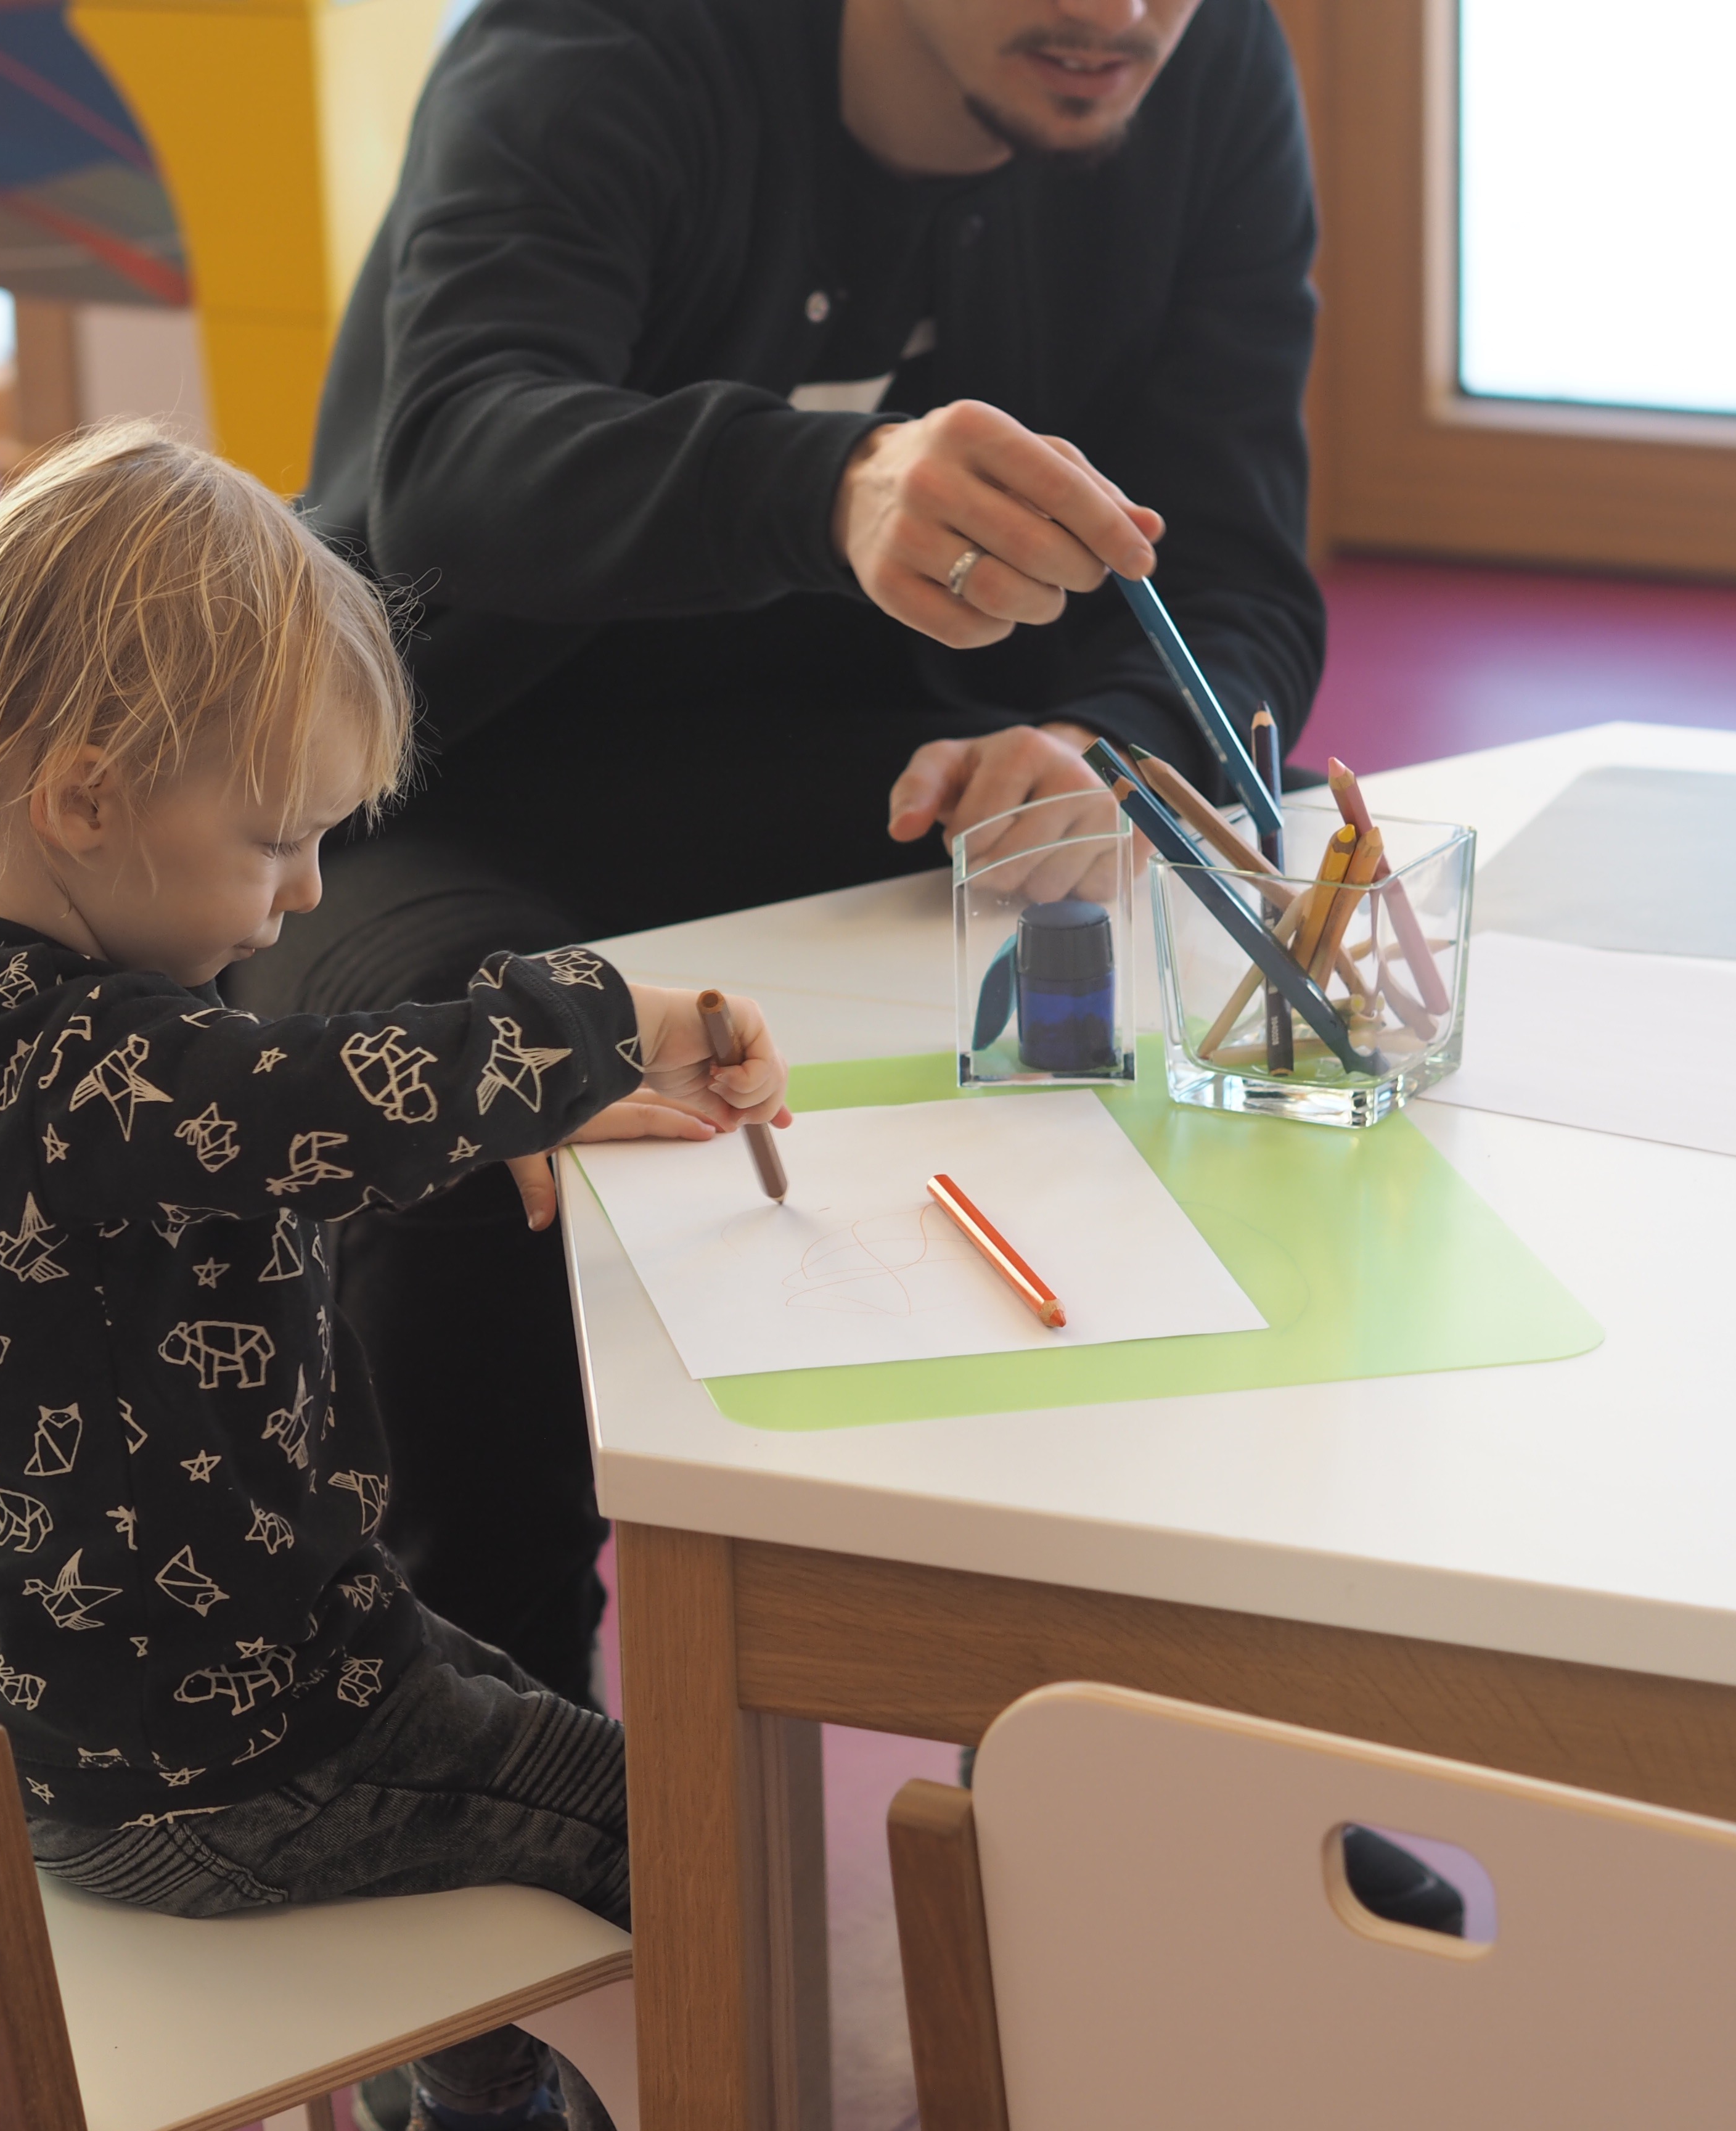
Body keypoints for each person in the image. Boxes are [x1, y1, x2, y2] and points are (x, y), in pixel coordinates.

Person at [239, 0, 1325, 1715]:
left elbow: (1244, 584)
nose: (1121, 16)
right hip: (459, 782)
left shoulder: (1210, 68)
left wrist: (1116, 748)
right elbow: (449, 458)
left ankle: (1133, 1750)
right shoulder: (602, 44)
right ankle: (508, 1773)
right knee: (479, 1100)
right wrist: (829, 487)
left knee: (1192, 1033)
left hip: (909, 790)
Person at [0, 422, 788, 2129]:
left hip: (125, 1693)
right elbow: (299, 1095)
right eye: (277, 839)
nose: (304, 895)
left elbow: (263, 1130)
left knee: (514, 1716)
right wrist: (607, 1022)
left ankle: (461, 2095)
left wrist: (499, 1119)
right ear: (84, 796)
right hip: (215, 1767)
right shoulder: (99, 1071)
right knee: (694, 1835)